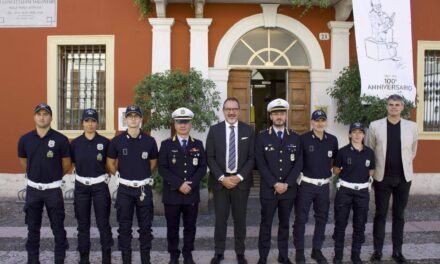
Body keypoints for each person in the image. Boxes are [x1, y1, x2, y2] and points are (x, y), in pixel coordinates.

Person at [367, 94, 418, 263]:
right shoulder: (375, 126)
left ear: (403, 107)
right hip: (382, 178)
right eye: (391, 104)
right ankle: (378, 250)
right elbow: (370, 149)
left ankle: (397, 251)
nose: (394, 107)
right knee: (380, 214)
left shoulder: (412, 126)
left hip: (404, 178)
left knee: (399, 215)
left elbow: (413, 150)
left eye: (397, 104)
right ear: (386, 106)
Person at [18, 103, 71, 264]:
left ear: (51, 117)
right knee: (33, 229)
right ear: (34, 117)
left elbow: (67, 164)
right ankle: (32, 260)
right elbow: (24, 161)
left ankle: (59, 260)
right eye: (39, 114)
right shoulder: (25, 139)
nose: (42, 117)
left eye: (45, 114)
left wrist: (53, 176)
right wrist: (35, 173)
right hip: (33, 190)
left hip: (53, 191)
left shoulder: (60, 139)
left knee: (58, 229)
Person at [206, 97, 255, 264]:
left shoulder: (248, 131)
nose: (231, 112)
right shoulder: (214, 130)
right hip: (220, 183)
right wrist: (222, 178)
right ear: (223, 110)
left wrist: (239, 177)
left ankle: (240, 253)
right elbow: (210, 157)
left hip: (241, 183)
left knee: (240, 220)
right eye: (228, 109)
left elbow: (252, 157)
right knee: (220, 219)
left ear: (239, 110)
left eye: (234, 109)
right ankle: (218, 252)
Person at [107, 105, 158, 264]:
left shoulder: (149, 141)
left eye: (136, 116)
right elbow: (110, 162)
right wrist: (119, 176)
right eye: (130, 116)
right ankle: (126, 259)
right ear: (125, 119)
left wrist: (141, 176)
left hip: (143, 189)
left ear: (141, 119)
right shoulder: (117, 141)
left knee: (145, 228)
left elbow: (153, 162)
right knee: (124, 228)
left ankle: (145, 260)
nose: (133, 119)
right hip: (124, 190)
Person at [255, 99, 302, 264]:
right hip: (269, 190)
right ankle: (263, 257)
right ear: (271, 116)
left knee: (284, 225)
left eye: (282, 113)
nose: (279, 116)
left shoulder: (295, 137)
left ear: (286, 115)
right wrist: (275, 183)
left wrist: (286, 184)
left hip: (288, 191)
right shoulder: (261, 137)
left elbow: (299, 163)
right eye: (276, 114)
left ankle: (283, 256)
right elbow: (260, 163)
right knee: (265, 224)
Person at [158, 107, 207, 264]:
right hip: (172, 194)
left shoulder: (198, 144)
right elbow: (162, 168)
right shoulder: (166, 145)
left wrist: (190, 185)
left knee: (190, 227)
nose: (183, 125)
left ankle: (187, 253)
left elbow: (202, 168)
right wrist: (180, 184)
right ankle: (174, 254)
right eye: (179, 122)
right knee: (172, 228)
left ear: (191, 124)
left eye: (186, 122)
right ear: (175, 124)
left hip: (191, 194)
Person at [293, 110, 338, 264]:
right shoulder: (303, 139)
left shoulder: (332, 140)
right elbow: (297, 163)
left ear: (326, 122)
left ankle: (316, 250)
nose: (320, 123)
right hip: (306, 185)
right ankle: (299, 251)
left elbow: (336, 162)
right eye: (317, 120)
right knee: (301, 219)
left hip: (323, 186)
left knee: (322, 219)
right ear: (312, 122)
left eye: (322, 120)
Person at [71, 109, 113, 264]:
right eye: (87, 120)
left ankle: (106, 257)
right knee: (83, 225)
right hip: (81, 187)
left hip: (100, 187)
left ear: (97, 123)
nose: (90, 124)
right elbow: (73, 163)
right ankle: (84, 258)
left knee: (103, 223)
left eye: (93, 121)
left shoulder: (105, 143)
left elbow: (109, 165)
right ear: (82, 123)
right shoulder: (75, 143)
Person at [332, 122, 375, 264]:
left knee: (360, 224)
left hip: (362, 192)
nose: (357, 135)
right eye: (354, 132)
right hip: (345, 191)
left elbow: (372, 170)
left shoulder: (369, 152)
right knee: (340, 223)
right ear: (349, 134)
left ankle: (355, 255)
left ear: (364, 135)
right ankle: (338, 255)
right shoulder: (343, 151)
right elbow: (336, 170)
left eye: (360, 132)